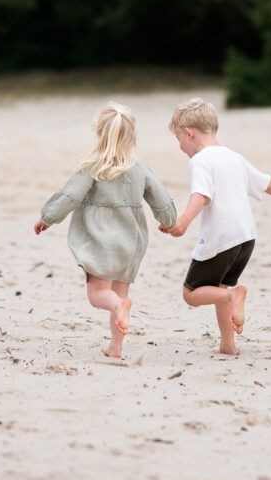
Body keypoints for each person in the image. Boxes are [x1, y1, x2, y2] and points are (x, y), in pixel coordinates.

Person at [34, 101, 176, 358]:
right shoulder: (140, 168)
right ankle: (116, 347)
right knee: (121, 293)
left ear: (99, 133)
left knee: (99, 294)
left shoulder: (92, 167)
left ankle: (119, 308)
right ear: (132, 136)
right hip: (131, 242)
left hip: (101, 242)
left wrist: (47, 217)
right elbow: (161, 197)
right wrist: (169, 220)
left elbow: (70, 196)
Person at [160, 98, 271, 355]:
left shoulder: (201, 160)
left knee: (191, 294)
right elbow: (267, 182)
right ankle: (228, 344)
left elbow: (201, 196)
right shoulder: (234, 158)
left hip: (221, 238)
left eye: (179, 139)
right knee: (220, 288)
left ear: (189, 132)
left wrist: (182, 223)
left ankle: (234, 297)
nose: (180, 146)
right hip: (246, 238)